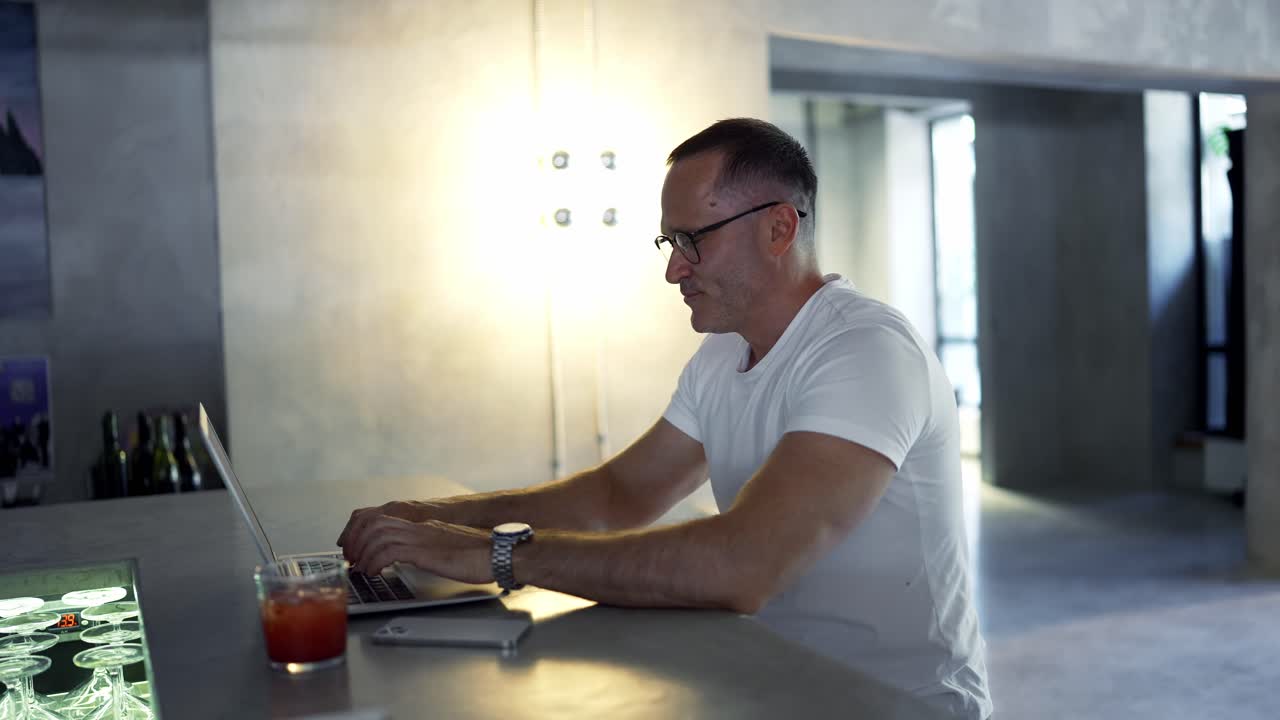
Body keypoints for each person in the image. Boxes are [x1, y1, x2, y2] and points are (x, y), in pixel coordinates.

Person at [338, 118, 991, 718]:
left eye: (693, 241)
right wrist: (434, 520)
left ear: (779, 229)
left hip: (896, 707)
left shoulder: (866, 351)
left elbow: (742, 566)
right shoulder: (721, 355)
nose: (674, 268)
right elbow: (617, 495)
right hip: (780, 687)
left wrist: (498, 555)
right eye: (670, 241)